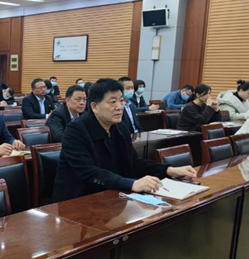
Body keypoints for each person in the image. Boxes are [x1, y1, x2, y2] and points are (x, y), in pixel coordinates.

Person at [51, 79, 196, 202]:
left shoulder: (120, 128)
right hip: (78, 200)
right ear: (94, 106)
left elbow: (134, 161)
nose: (119, 107)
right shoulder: (75, 131)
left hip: (113, 196)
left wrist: (169, 170)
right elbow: (88, 171)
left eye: (121, 101)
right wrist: (131, 183)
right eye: (112, 102)